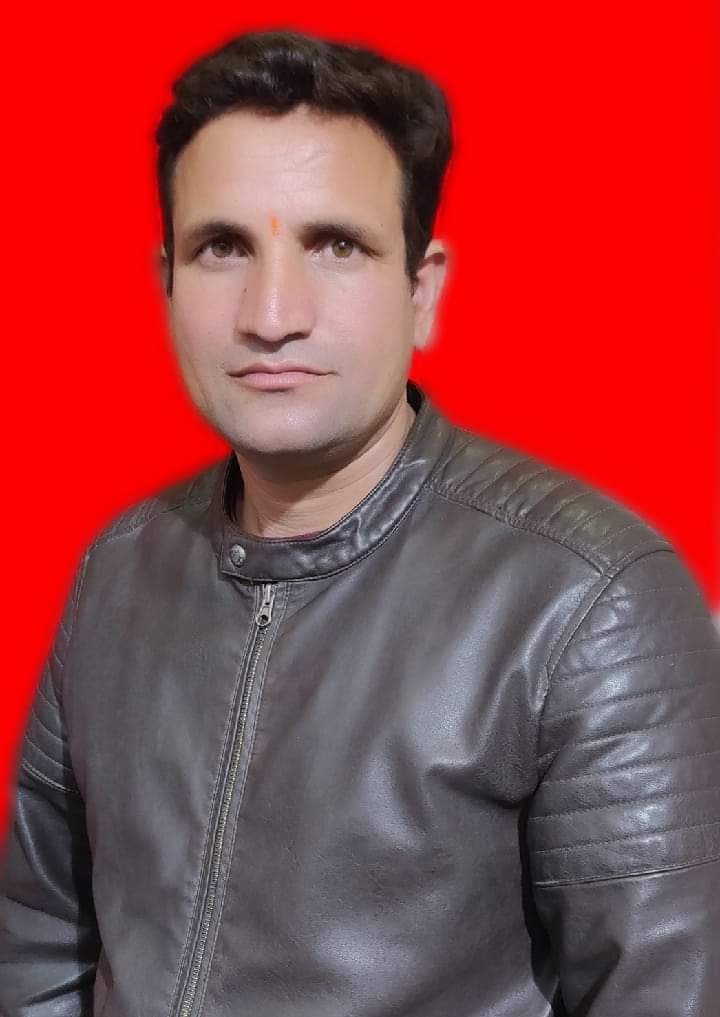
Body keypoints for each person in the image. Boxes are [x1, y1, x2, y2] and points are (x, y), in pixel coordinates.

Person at [1, 28, 718, 1017]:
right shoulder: (118, 571)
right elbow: (42, 942)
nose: (271, 313)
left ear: (422, 291)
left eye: (336, 245)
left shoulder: (591, 601)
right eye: (223, 247)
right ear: (166, 281)